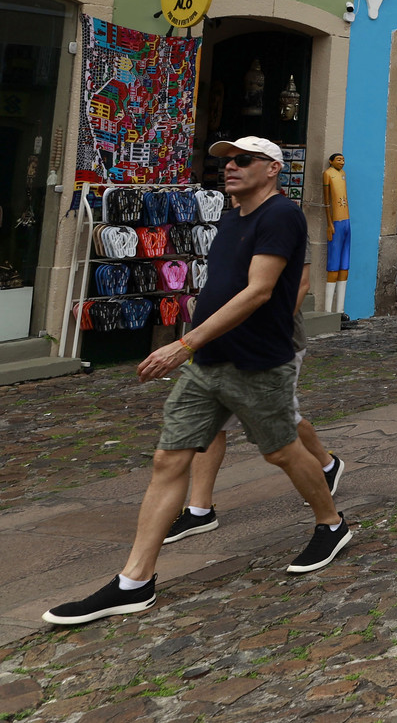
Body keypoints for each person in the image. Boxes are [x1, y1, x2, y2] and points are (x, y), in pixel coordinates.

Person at [43, 137, 348, 627]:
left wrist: (181, 343)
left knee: (282, 451)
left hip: (257, 361)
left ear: (271, 168)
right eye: (224, 160)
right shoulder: (231, 216)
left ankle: (330, 523)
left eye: (242, 160)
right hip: (208, 359)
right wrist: (195, 338)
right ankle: (134, 581)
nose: (229, 167)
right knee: (169, 457)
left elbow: (259, 290)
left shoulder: (281, 215)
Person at [161, 233, 344, 550]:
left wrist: (266, 332)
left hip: (271, 343)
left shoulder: (282, 220)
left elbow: (300, 285)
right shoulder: (231, 224)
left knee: (280, 421)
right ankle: (199, 509)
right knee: (213, 421)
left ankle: (327, 469)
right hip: (221, 340)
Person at [322, 153, 348, 305]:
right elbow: (326, 201)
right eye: (339, 160)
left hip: (346, 221)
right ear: (331, 161)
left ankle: (340, 310)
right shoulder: (327, 174)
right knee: (334, 263)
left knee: (345, 264)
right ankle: (327, 309)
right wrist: (329, 222)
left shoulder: (343, 174)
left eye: (343, 160)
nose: (342, 162)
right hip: (336, 222)